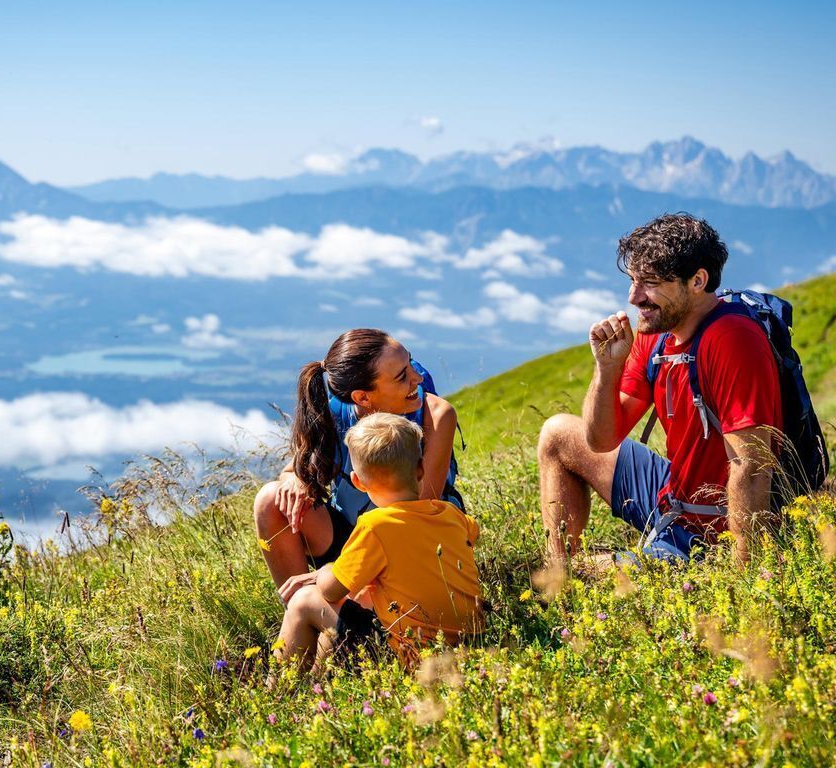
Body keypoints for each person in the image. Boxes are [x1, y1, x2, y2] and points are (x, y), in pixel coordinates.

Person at [538, 213, 781, 565]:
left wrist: (743, 585)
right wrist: (607, 369)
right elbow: (600, 441)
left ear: (698, 281)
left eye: (649, 283)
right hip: (674, 495)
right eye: (634, 281)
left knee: (592, 577)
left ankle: (571, 581)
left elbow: (751, 466)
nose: (634, 297)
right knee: (558, 434)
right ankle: (558, 578)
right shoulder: (659, 336)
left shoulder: (731, 339)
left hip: (713, 529)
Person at [273, 412, 483, 670]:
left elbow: (331, 591)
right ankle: (321, 682)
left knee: (304, 601)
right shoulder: (451, 514)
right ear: (420, 468)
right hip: (471, 643)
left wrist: (326, 570)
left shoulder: (373, 527)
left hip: (411, 655)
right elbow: (473, 534)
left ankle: (281, 689)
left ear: (358, 482)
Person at [254, 328, 461, 589]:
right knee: (271, 499)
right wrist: (295, 480)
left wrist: (340, 571)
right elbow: (291, 471)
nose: (418, 379)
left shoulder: (437, 415)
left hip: (416, 544)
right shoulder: (333, 414)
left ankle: (341, 609)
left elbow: (418, 513)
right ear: (362, 397)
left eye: (410, 364)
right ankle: (305, 609)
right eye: (402, 376)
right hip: (354, 536)